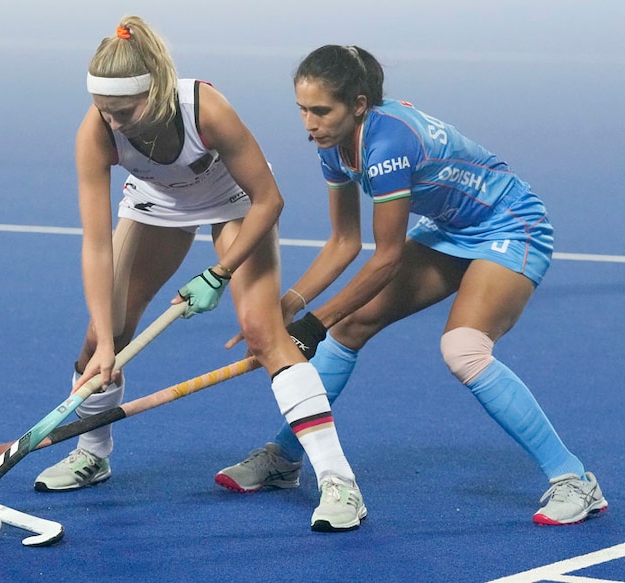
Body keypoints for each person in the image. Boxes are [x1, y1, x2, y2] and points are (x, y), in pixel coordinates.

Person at [216, 44, 607, 526]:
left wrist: (313, 324)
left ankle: (574, 480)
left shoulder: (387, 145)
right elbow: (342, 242)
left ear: (359, 105)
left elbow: (386, 258)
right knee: (352, 325)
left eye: (321, 111)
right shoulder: (336, 146)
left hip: (510, 225)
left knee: (463, 349)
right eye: (302, 110)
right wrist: (288, 307)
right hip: (451, 228)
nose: (309, 123)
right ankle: (284, 457)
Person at [33, 16, 366, 532]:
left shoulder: (205, 108)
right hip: (156, 205)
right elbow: (96, 243)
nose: (114, 123)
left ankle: (338, 480)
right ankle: (92, 452)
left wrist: (219, 272)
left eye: (124, 111)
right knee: (105, 337)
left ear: (156, 91)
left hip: (235, 202)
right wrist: (104, 340)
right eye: (105, 112)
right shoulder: (97, 130)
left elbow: (268, 199)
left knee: (263, 333)